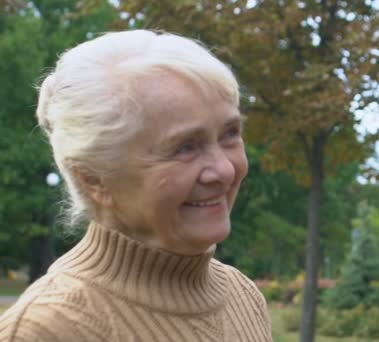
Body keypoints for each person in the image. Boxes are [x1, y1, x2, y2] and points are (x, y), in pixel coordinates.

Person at [0, 30, 271, 341]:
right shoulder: (47, 329)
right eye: (185, 147)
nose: (224, 169)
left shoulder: (242, 296)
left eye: (230, 133)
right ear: (94, 178)